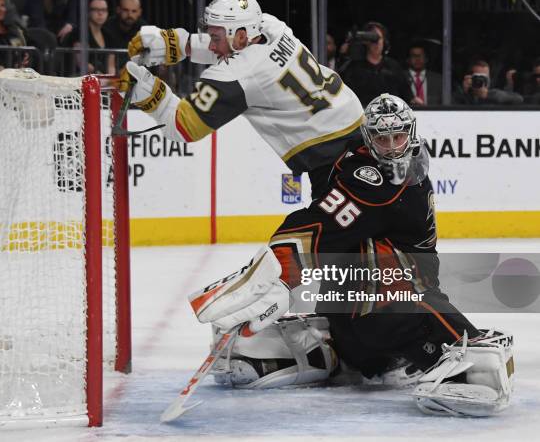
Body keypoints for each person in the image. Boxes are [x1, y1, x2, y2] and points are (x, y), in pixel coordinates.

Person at [188, 94, 514, 417]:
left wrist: (281, 265)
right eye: (381, 138)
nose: (390, 147)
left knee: (381, 267)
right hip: (362, 313)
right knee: (366, 269)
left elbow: (326, 223)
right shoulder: (367, 167)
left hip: (390, 309)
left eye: (398, 137)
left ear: (411, 134)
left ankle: (442, 346)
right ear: (368, 137)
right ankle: (365, 353)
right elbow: (331, 216)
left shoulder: (390, 182)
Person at [122, 0, 364, 199]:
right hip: (357, 123)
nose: (212, 45)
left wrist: (149, 93)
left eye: (215, 37)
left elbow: (184, 126)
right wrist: (181, 45)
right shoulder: (272, 26)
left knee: (326, 243)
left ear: (240, 36)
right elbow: (240, 52)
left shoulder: (235, 75)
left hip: (331, 155)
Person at [338, 22, 412, 107]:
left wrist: (414, 101)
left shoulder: (393, 67)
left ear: (384, 41)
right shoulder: (353, 68)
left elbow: (406, 95)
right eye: (372, 39)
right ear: (366, 41)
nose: (376, 43)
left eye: (378, 38)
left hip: (390, 115)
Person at [64, 0, 109, 74]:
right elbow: (82, 63)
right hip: (79, 78)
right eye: (96, 10)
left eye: (103, 10)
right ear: (88, 12)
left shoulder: (108, 34)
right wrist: (100, 75)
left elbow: (111, 65)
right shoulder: (80, 32)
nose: (100, 13)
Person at [103, 0, 146, 72]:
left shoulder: (144, 29)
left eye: (134, 11)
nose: (130, 15)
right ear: (118, 10)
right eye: (126, 10)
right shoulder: (108, 26)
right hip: (110, 71)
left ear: (139, 12)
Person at [453, 59, 523, 105]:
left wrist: (488, 95)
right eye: (477, 77)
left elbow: (519, 99)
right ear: (470, 77)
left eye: (484, 78)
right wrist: (464, 93)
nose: (481, 81)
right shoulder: (460, 93)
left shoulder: (495, 94)